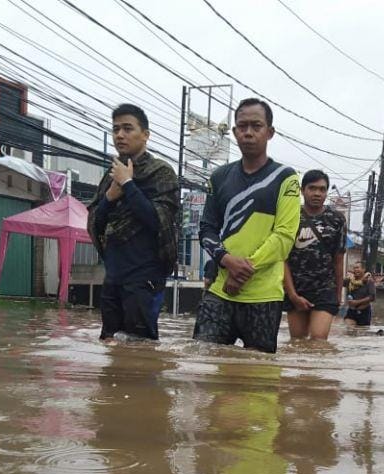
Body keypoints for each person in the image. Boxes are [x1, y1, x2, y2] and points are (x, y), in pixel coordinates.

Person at [193, 98, 301, 353]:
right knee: (201, 366)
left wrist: (243, 272)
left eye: (256, 126)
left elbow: (284, 237)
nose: (249, 133)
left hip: (264, 296)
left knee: (259, 379)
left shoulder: (286, 178)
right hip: (220, 290)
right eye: (242, 126)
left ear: (270, 132)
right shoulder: (219, 177)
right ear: (234, 132)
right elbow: (206, 229)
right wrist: (227, 261)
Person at [88, 104, 180, 342]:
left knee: (141, 350)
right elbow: (95, 223)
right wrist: (110, 196)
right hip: (113, 277)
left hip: (144, 279)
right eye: (116, 129)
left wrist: (128, 185)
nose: (120, 135)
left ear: (145, 134)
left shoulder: (161, 173)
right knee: (109, 345)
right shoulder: (111, 176)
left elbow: (159, 221)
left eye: (128, 128)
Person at [283, 170, 347, 341]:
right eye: (312, 188)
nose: (317, 193)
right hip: (296, 289)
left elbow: (338, 260)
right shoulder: (289, 216)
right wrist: (292, 295)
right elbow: (282, 259)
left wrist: (338, 294)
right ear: (302, 190)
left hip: (324, 290)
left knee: (318, 340)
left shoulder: (337, 219)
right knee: (297, 342)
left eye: (322, 189)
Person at [343, 261, 375, 328]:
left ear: (363, 269)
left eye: (357, 268)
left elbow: (372, 297)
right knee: (349, 330)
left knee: (362, 334)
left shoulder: (369, 281)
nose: (355, 270)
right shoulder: (349, 280)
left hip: (364, 312)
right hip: (351, 311)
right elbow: (338, 283)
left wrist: (357, 302)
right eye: (354, 268)